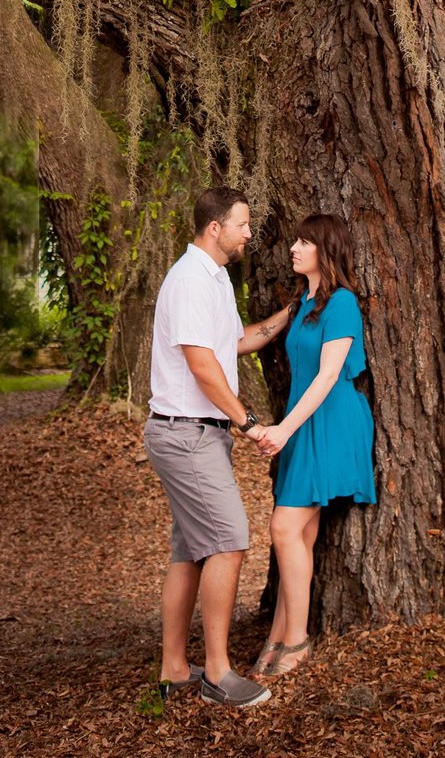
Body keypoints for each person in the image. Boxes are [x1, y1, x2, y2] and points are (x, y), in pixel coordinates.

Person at [143, 185, 292, 710]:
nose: (249, 233)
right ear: (215, 228)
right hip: (186, 432)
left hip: (195, 433)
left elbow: (235, 342)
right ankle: (219, 674)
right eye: (243, 224)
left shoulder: (214, 280)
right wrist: (249, 422)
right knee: (228, 541)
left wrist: (289, 315)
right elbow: (202, 364)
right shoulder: (188, 281)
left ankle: (175, 670)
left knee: (190, 552)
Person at [251, 212, 376, 679]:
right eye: (296, 242)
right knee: (298, 536)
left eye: (305, 243)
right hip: (305, 426)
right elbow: (268, 338)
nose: (294, 249)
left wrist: (282, 430)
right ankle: (277, 638)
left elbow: (328, 376)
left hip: (332, 422)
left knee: (284, 529)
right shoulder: (303, 303)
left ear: (327, 251)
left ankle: (298, 640)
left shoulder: (342, 303)